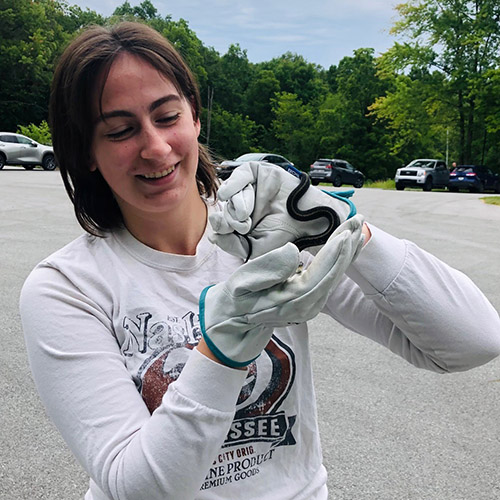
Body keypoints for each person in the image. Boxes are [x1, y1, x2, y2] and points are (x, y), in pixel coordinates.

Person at [19, 21, 500, 500]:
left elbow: (472, 341)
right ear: (85, 152)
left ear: (195, 117)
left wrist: (347, 227)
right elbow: (138, 487)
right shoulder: (67, 288)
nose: (156, 147)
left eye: (167, 117)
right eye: (121, 130)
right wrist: (223, 348)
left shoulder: (270, 235)